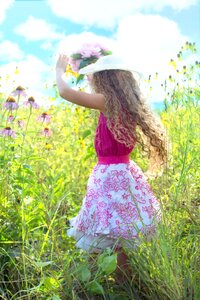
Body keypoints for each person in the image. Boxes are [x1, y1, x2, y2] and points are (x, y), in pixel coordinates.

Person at [56, 51, 168, 275]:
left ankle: (102, 282)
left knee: (105, 232)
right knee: (120, 233)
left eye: (95, 76)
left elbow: (65, 91)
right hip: (125, 173)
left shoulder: (107, 101)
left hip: (108, 176)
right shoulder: (126, 103)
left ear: (106, 78)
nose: (91, 79)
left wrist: (59, 69)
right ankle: (122, 282)